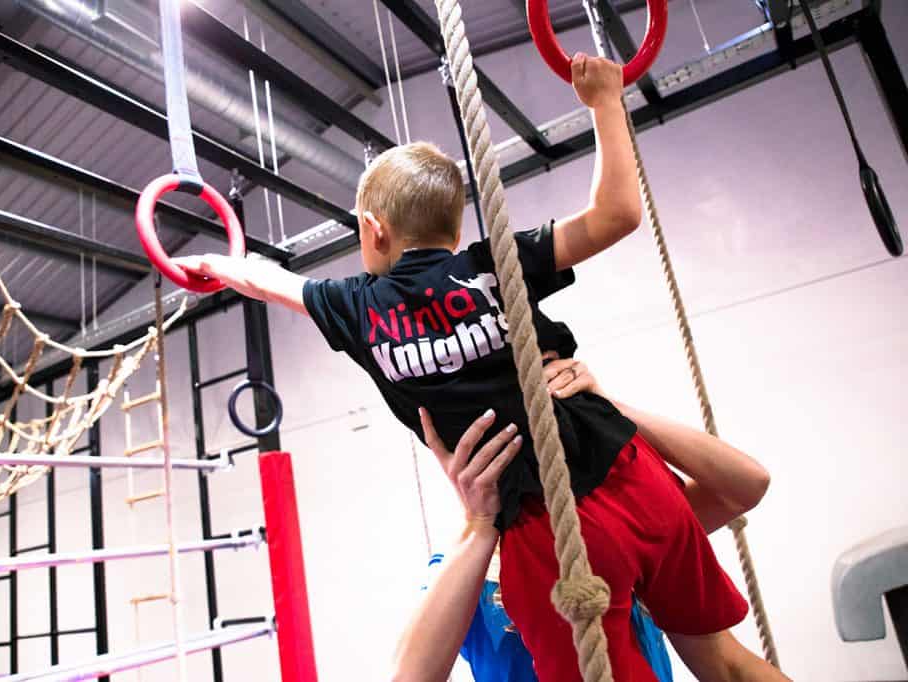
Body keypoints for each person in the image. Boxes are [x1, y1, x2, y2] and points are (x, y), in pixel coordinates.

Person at [174, 54, 785, 680]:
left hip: (551, 526)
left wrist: (214, 268)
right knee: (727, 664)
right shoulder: (497, 263)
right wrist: (605, 99)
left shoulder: (359, 306)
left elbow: (271, 282)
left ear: (372, 229)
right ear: (457, 221)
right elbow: (618, 215)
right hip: (638, 476)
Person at [392, 356, 775, 681]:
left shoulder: (613, 528)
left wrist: (609, 411)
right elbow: (411, 676)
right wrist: (480, 522)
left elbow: (744, 484)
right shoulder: (467, 568)